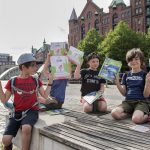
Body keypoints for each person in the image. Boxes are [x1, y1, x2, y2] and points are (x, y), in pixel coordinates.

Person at [0, 53, 52, 150]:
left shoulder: (36, 80)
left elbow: (44, 95)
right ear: (23, 67)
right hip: (17, 112)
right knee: (5, 140)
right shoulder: (13, 81)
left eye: (36, 65)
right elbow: (4, 100)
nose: (36, 68)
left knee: (26, 128)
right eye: (33, 65)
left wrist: (50, 82)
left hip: (31, 111)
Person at [111, 48, 149, 124]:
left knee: (136, 120)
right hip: (128, 102)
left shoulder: (145, 75)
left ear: (141, 61)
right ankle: (132, 113)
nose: (133, 61)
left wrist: (148, 82)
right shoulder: (126, 75)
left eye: (136, 59)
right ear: (128, 62)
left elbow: (146, 95)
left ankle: (147, 115)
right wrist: (117, 83)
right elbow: (124, 93)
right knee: (114, 113)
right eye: (131, 60)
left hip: (141, 102)